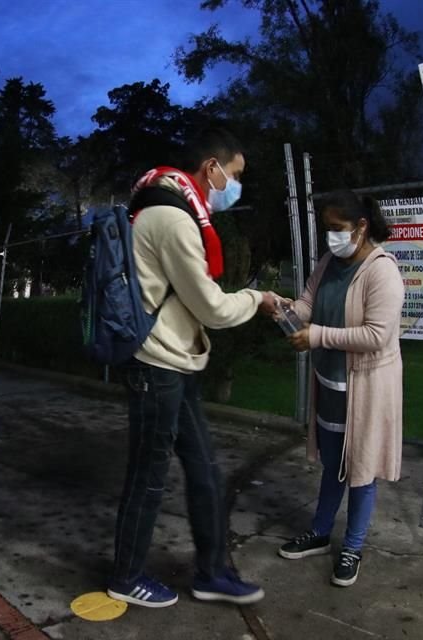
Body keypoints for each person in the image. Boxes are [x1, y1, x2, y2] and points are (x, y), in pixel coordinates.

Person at [106, 126, 279, 609]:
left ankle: (212, 572)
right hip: (155, 366)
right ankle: (125, 576)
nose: (235, 184)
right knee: (148, 474)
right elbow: (212, 309)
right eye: (236, 175)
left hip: (177, 362)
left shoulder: (167, 206)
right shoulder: (172, 218)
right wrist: (258, 298)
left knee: (204, 467)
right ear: (212, 169)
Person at [276, 189, 404, 588]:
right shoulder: (330, 261)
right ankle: (319, 533)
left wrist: (316, 336)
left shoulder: (382, 271)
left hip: (366, 390)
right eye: (326, 229)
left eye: (337, 228)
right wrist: (285, 310)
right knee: (334, 466)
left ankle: (353, 546)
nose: (330, 236)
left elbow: (376, 336)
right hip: (330, 385)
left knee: (361, 472)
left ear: (361, 227)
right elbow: (308, 301)